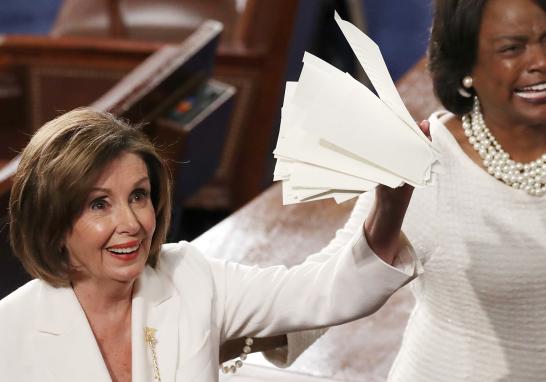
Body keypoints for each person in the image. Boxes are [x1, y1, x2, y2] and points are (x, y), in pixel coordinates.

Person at [0, 108, 423, 382]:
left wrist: (388, 205)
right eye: (99, 204)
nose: (130, 223)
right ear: (53, 222)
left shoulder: (190, 276)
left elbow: (322, 294)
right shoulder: (10, 332)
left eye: (138, 196)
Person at [268, 0, 546, 380]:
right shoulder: (432, 162)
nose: (539, 62)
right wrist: (220, 328)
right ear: (467, 66)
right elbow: (334, 284)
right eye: (512, 49)